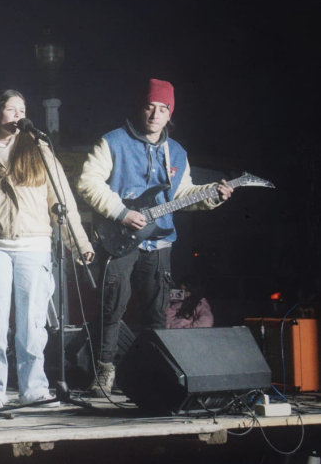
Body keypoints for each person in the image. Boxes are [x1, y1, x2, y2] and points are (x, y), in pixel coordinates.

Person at [76, 79, 232, 397]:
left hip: (159, 240)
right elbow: (88, 182)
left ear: (170, 113)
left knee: (157, 313)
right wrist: (122, 213)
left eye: (163, 108)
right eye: (150, 106)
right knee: (112, 307)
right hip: (120, 237)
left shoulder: (176, 152)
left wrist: (213, 196)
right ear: (141, 107)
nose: (155, 114)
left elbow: (183, 194)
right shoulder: (113, 141)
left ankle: (151, 376)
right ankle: (104, 374)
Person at [0, 90, 94, 409]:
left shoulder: (39, 148)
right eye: (11, 109)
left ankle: (33, 388)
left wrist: (79, 243)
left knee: (32, 321)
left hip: (34, 244)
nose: (18, 114)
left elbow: (61, 198)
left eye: (22, 109)